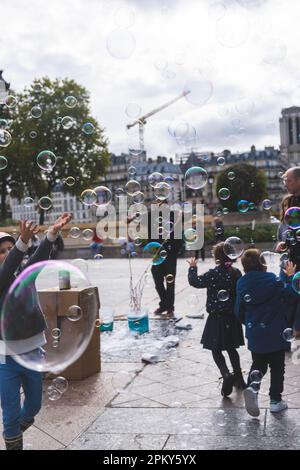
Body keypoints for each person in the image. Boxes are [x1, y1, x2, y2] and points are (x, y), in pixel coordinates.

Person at [0, 213, 72, 450]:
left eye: (10, 248)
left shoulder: (24, 276)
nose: (7, 254)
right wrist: (21, 243)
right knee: (9, 411)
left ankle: (17, 428)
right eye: (2, 251)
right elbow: (8, 266)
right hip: (5, 360)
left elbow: (38, 257)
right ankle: (12, 437)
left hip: (33, 353)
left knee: (33, 406)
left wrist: (51, 234)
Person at [235, 248, 297, 417]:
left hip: (255, 333)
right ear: (262, 264)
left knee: (258, 364)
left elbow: (239, 311)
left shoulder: (241, 283)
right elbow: (291, 295)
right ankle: (275, 401)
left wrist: (249, 323)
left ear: (244, 267)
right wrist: (291, 276)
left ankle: (252, 388)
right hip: (277, 332)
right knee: (277, 367)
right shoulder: (272, 279)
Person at [187, 242, 245, 397]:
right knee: (232, 349)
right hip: (232, 317)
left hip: (216, 317)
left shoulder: (213, 273)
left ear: (217, 258)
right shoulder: (236, 273)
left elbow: (195, 282)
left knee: (216, 349)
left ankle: (226, 374)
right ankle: (239, 379)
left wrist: (193, 267)